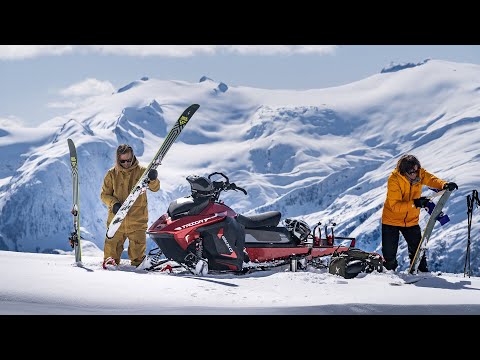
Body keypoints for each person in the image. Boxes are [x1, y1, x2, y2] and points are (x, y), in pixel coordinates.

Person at [381, 154, 458, 272]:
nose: (415, 174)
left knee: (418, 253)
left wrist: (444, 185)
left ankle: (421, 275)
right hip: (391, 221)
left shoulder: (419, 174)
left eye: (417, 170)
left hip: (411, 220)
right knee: (389, 257)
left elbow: (432, 179)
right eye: (411, 171)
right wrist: (415, 203)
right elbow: (395, 206)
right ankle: (388, 278)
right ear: (403, 172)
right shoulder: (394, 180)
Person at [100, 144, 160, 268]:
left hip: (137, 222)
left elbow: (155, 188)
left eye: (129, 160)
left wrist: (153, 179)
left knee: (139, 262)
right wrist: (114, 203)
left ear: (133, 157)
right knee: (110, 261)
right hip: (116, 223)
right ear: (118, 159)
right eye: (123, 161)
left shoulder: (143, 172)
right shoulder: (111, 174)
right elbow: (104, 195)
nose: (126, 163)